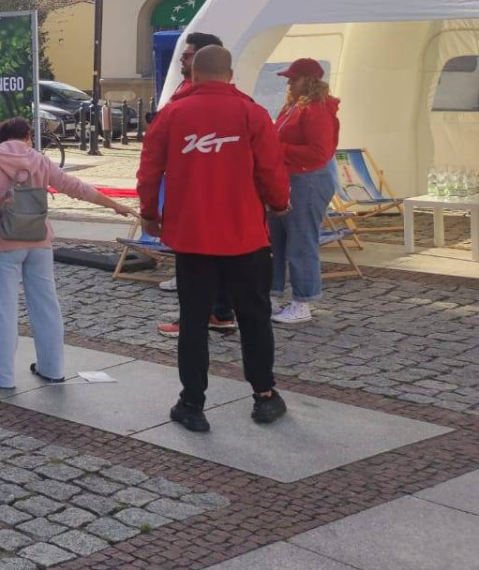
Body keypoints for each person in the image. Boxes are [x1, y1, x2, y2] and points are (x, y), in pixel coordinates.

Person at [137, 45, 291, 433]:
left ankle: (192, 403)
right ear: (230, 73)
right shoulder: (252, 113)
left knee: (192, 322)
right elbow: (271, 171)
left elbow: (149, 171)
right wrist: (278, 204)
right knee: (254, 317)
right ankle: (265, 396)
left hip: (193, 237)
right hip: (245, 236)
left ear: (194, 74)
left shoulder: (172, 114)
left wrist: (150, 216)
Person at [0, 118, 136, 387]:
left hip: (4, 244)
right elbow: (74, 187)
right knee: (47, 306)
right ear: (28, 137)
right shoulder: (39, 159)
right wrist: (114, 205)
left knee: (4, 310)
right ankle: (52, 368)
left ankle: (2, 375)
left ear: (3, 138)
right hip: (39, 241)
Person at [154, 30, 238, 338]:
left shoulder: (196, 98)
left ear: (202, 59)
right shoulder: (191, 92)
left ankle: (199, 318)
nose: (181, 60)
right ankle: (219, 313)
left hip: (199, 190)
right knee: (213, 257)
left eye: (187, 56)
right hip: (203, 189)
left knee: (197, 260)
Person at [270, 59, 340, 325]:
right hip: (288, 178)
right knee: (277, 239)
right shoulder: (295, 106)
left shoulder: (317, 110)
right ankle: (273, 295)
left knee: (301, 242)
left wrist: (278, 150)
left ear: (308, 81)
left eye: (294, 78)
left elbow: (320, 153)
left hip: (307, 179)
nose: (289, 83)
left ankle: (303, 301)